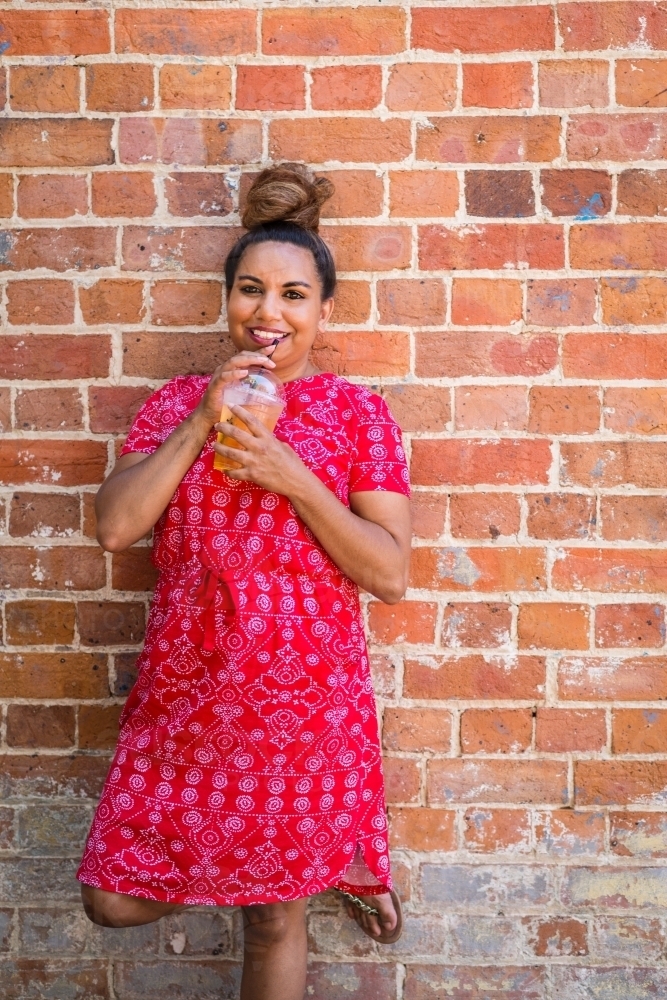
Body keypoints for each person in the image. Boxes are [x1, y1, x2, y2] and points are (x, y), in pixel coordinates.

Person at [77, 164, 412, 1000]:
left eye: (295, 295)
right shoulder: (175, 403)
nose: (270, 313)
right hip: (186, 700)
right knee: (110, 897)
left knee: (272, 915)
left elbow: (390, 572)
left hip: (303, 705)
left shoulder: (355, 415)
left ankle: (311, 864)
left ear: (322, 313)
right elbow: (117, 526)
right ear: (225, 300)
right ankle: (320, 860)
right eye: (251, 291)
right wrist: (201, 422)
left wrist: (289, 473)